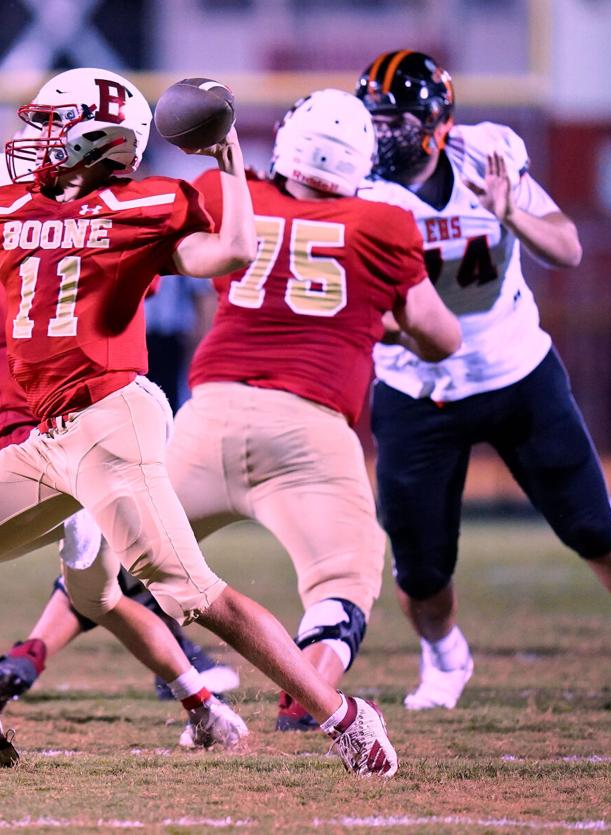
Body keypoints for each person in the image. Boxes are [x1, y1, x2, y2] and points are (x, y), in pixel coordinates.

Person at [0, 67, 397, 773]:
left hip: (110, 421)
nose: (34, 139)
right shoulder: (5, 209)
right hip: (49, 435)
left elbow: (231, 253)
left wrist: (234, 171)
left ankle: (344, 716)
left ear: (97, 138)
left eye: (51, 125)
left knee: (191, 594)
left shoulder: (142, 205)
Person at [355, 50, 611, 724]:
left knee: (598, 528)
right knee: (418, 572)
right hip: (415, 386)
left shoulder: (488, 156)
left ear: (435, 125)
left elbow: (566, 247)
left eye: (392, 120)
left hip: (514, 369)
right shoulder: (354, 182)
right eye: (373, 118)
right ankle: (446, 655)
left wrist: (511, 212)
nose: (378, 133)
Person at [172, 89, 461, 732]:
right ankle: (311, 683)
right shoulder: (383, 226)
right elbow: (443, 337)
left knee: (123, 553)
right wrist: (385, 321)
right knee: (344, 578)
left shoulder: (228, 195)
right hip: (309, 429)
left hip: (207, 415)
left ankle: (34, 653)